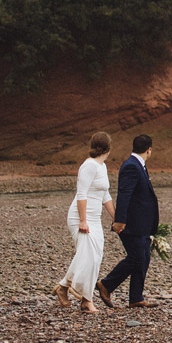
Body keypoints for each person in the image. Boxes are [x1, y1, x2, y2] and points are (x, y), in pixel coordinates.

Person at [54, 132, 115, 314]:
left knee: (94, 257)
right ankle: (87, 301)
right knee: (88, 256)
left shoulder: (102, 167)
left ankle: (64, 287)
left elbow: (105, 195)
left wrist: (116, 218)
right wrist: (83, 221)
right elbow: (82, 194)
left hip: (95, 218)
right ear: (108, 148)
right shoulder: (88, 166)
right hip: (80, 217)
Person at [98, 134, 160, 308]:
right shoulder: (131, 166)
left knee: (144, 257)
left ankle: (135, 297)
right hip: (132, 223)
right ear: (149, 150)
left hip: (142, 223)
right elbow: (124, 194)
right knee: (136, 258)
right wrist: (119, 221)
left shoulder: (139, 165)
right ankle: (106, 284)